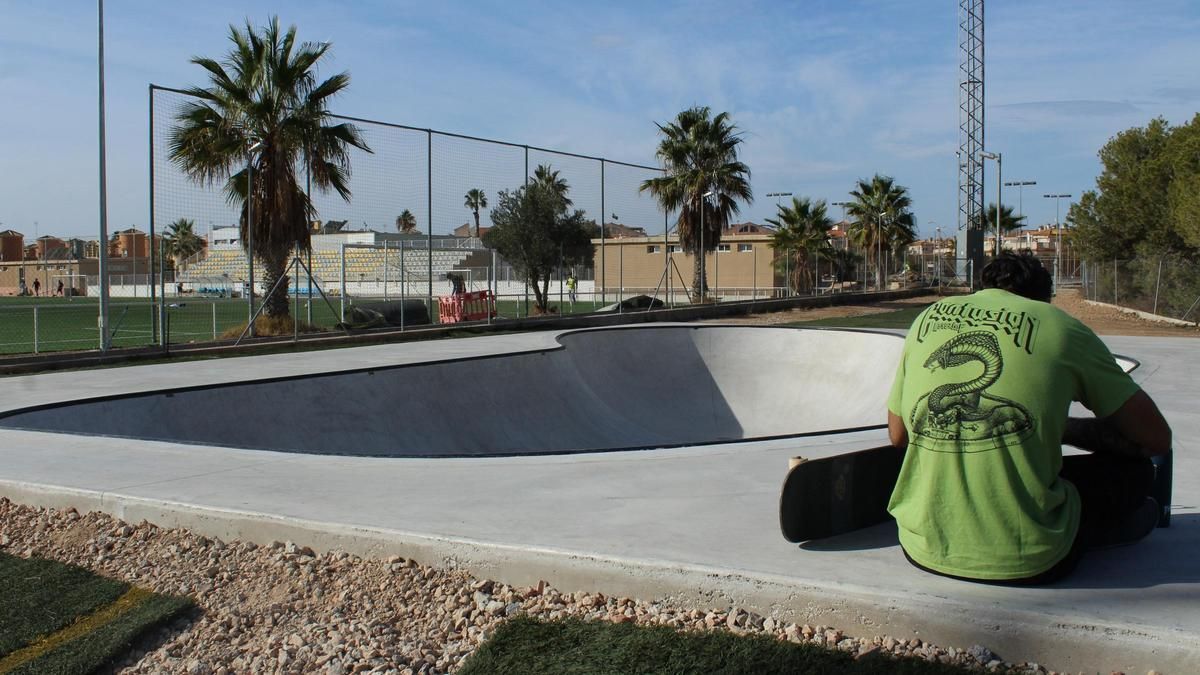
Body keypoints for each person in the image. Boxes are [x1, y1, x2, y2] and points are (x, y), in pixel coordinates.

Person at [886, 251, 1171, 585]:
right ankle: (1100, 530)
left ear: (984, 288)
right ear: (1044, 298)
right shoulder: (1063, 329)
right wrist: (1063, 429)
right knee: (1136, 473)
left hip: (921, 547)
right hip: (1032, 562)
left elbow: (898, 435)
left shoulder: (927, 318)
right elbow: (1155, 438)